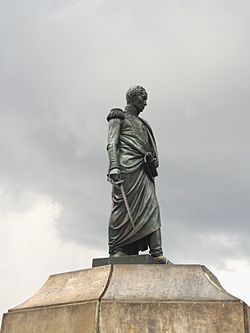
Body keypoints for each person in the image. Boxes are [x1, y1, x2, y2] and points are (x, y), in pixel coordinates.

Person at [106, 85, 166, 264]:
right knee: (122, 208)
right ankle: (118, 248)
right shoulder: (118, 117)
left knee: (151, 206)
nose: (145, 103)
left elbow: (149, 148)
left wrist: (153, 161)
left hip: (143, 170)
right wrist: (114, 166)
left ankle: (156, 251)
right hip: (126, 169)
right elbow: (112, 143)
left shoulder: (144, 124)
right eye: (142, 99)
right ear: (132, 99)